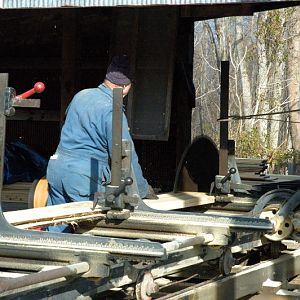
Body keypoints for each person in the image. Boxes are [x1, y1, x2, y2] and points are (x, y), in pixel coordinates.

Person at [46, 55, 157, 232]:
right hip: (82, 178)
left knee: (56, 229)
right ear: (126, 86)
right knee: (88, 233)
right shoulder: (112, 109)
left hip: (56, 168)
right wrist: (142, 190)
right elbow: (124, 155)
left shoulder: (80, 96)